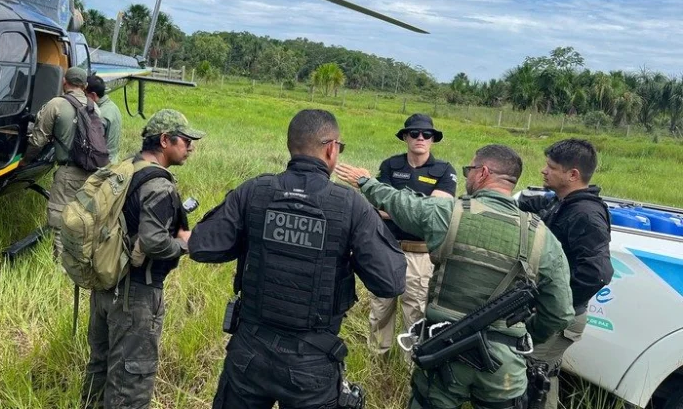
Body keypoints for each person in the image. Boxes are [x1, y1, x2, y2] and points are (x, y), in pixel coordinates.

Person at [189, 109, 406, 408]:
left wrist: (253, 237)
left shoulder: (254, 191)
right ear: (331, 149)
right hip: (310, 365)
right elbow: (390, 281)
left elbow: (201, 245)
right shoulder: (351, 205)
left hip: (249, 353)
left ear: (291, 145)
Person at [335, 144, 574, 409]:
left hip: (443, 355)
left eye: (469, 170)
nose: (466, 176)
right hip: (503, 367)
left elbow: (401, 203)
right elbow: (560, 313)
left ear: (483, 172)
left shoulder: (448, 213)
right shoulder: (542, 237)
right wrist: (523, 337)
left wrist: (366, 182)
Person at [83, 108, 205, 409]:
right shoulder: (158, 185)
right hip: (135, 296)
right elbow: (154, 242)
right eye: (185, 140)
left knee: (100, 367)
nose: (190, 147)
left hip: (105, 284)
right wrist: (183, 244)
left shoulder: (126, 169)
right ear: (165, 140)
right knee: (131, 383)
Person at [517, 139, 613, 408]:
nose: (543, 170)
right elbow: (532, 205)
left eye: (551, 167)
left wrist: (555, 301)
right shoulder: (563, 203)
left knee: (530, 375)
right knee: (541, 374)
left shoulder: (586, 214)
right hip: (553, 311)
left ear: (572, 175)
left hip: (559, 315)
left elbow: (598, 273)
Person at [370, 114, 457, 357]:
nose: (420, 138)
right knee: (380, 309)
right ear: (405, 137)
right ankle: (377, 362)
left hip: (420, 254)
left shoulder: (444, 171)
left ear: (433, 139)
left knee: (415, 314)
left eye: (426, 134)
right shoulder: (390, 166)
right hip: (387, 249)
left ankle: (411, 365)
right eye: (415, 133)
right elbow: (378, 203)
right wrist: (419, 208)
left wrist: (395, 206)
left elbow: (436, 213)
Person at [26, 66, 100, 258]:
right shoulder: (95, 108)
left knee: (60, 222)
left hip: (68, 172)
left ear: (64, 82)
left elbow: (37, 140)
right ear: (84, 86)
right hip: (93, 173)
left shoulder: (57, 104)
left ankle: (61, 265)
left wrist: (25, 161)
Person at [86, 74, 123, 163]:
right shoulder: (113, 106)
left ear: (93, 95)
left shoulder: (99, 115)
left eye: (84, 94)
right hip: (113, 159)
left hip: (102, 164)